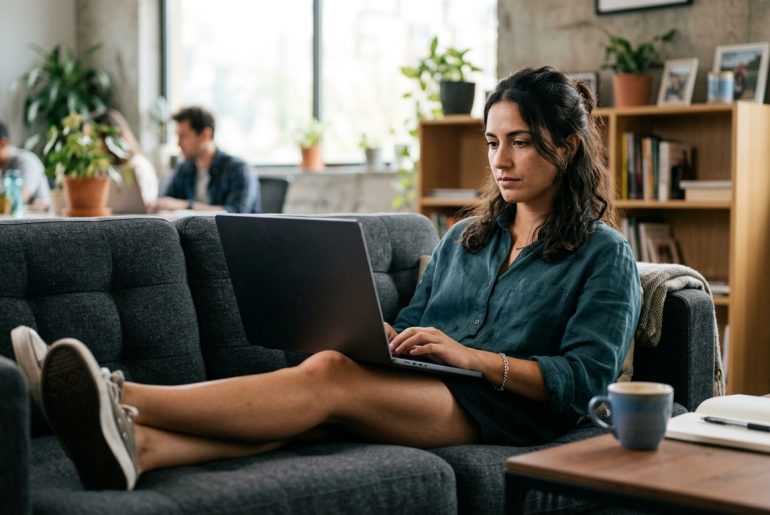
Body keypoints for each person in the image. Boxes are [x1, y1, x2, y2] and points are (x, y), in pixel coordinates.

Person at [12, 66, 641, 491]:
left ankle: (117, 395)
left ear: (569, 146)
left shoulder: (603, 255)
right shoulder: (465, 236)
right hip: (436, 383)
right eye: (491, 141)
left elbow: (585, 380)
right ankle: (142, 449)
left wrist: (473, 359)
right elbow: (421, 320)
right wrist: (380, 333)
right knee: (319, 400)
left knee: (327, 378)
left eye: (522, 142)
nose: (500, 160)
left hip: (508, 411)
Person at [150, 106, 259, 213]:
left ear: (205, 135)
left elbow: (237, 213)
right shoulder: (184, 168)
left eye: (183, 136)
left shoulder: (239, 169)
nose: (178, 143)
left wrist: (186, 206)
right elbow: (167, 203)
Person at [93, 109, 159, 206]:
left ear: (110, 139)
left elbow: (148, 206)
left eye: (94, 139)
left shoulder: (138, 165)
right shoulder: (97, 170)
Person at [0, 120, 50, 209]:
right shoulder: (4, 168)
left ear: (3, 143)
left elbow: (18, 199)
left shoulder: (26, 161)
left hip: (38, 221)